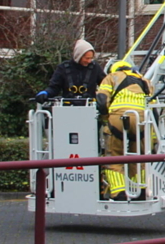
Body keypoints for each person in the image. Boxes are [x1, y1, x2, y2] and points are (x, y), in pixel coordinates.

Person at [96, 60, 154, 201]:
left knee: (114, 156)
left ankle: (119, 192)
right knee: (138, 157)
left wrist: (105, 119)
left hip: (118, 119)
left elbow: (102, 100)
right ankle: (139, 190)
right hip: (141, 120)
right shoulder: (145, 81)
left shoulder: (111, 77)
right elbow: (153, 107)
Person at [35, 39, 106, 103]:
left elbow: (106, 85)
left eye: (91, 58)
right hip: (67, 109)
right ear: (78, 56)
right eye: (87, 58)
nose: (89, 61)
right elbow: (54, 87)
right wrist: (45, 93)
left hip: (90, 108)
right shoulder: (63, 68)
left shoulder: (95, 68)